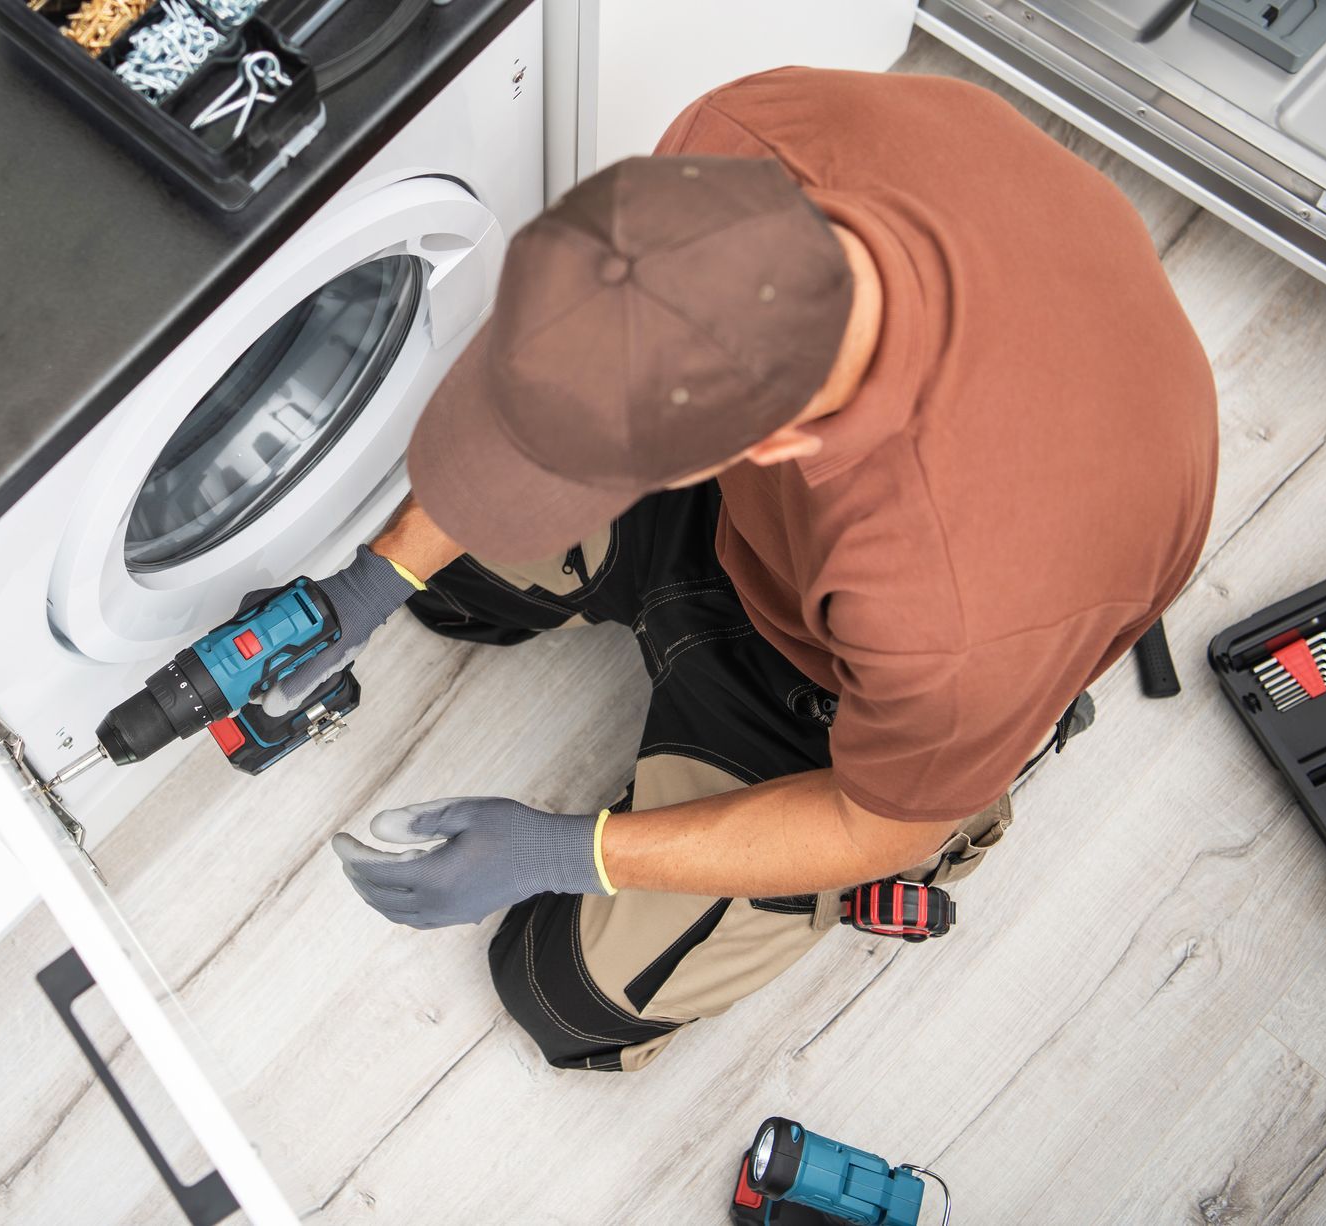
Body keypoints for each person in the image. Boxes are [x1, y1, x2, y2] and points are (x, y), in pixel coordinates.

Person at [253, 67, 1217, 1071]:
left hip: (851, 688)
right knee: (452, 590)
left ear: (767, 443)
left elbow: (871, 823)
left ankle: (996, 748)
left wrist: (561, 851)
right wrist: (368, 585)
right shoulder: (748, 134)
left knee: (558, 995)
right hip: (759, 528)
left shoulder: (955, 616)